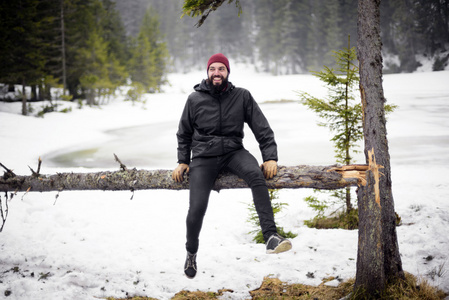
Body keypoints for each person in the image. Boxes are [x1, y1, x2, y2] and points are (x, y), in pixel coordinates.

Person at [172, 53, 292, 279]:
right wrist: (182, 161)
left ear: (227, 72)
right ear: (207, 72)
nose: (217, 73)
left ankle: (271, 237)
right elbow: (184, 133)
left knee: (257, 177)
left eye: (221, 69)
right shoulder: (194, 99)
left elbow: (262, 128)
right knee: (196, 209)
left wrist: (270, 157)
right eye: (213, 69)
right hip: (203, 157)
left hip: (233, 152)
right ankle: (191, 253)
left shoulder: (242, 96)